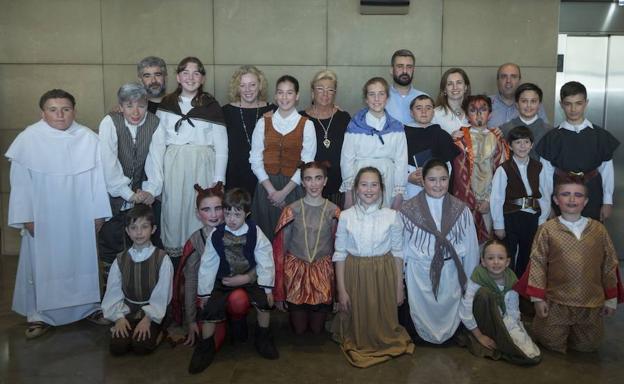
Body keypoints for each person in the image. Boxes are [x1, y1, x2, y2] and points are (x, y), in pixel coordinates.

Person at [6, 89, 111, 339]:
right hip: (43, 217)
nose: (60, 115)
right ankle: (39, 316)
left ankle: (88, 308)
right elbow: (20, 184)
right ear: (43, 112)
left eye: (65, 109)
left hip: (80, 214)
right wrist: (27, 216)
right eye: (53, 110)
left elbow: (99, 180)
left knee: (82, 260)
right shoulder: (28, 139)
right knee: (42, 264)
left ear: (74, 111)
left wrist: (98, 214)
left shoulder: (88, 138)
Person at [518, 177, 619, 353]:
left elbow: (610, 263)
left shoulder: (598, 229)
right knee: (551, 343)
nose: (572, 199)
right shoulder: (547, 230)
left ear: (586, 201)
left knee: (587, 347)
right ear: (556, 200)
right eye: (566, 194)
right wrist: (537, 299)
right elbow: (538, 264)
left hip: (590, 302)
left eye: (578, 195)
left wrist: (611, 299)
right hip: (556, 302)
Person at [146, 57, 227, 264]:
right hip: (174, 167)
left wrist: (219, 181)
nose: (190, 77)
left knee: (201, 214)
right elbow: (156, 146)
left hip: (203, 167)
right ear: (177, 77)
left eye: (196, 73)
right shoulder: (167, 104)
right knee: (175, 214)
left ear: (202, 78)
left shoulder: (211, 106)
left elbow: (221, 147)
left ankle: (203, 267)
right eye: (185, 73)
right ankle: (178, 273)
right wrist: (157, 182)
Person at [332, 167, 414, 368]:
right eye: (364, 184)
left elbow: (397, 253)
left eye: (374, 185)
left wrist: (398, 286)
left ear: (381, 188)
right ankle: (359, 337)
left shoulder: (392, 216)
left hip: (382, 273)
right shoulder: (346, 216)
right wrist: (341, 290)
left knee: (382, 316)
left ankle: (382, 336)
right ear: (356, 189)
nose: (369, 190)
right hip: (355, 272)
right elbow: (340, 254)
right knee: (357, 316)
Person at [190, 188, 277, 373]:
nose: (231, 219)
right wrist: (204, 293)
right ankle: (205, 348)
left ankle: (263, 338)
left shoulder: (255, 231)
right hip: (224, 280)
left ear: (247, 213)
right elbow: (207, 265)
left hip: (249, 278)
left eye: (237, 214)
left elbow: (265, 259)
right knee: (209, 309)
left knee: (264, 303)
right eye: (227, 213)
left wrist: (267, 289)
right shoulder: (217, 234)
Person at [400, 159, 479, 345]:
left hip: (451, 271)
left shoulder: (461, 210)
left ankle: (451, 333)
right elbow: (402, 247)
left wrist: (469, 281)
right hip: (418, 274)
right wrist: (401, 277)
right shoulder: (407, 210)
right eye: (432, 180)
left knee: (449, 306)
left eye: (443, 179)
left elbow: (471, 247)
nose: (438, 185)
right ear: (423, 181)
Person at [98, 82, 163, 288]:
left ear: (147, 105)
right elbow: (108, 162)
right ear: (121, 106)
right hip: (113, 197)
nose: (135, 112)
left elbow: (156, 160)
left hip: (143, 197)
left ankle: (138, 295)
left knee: (141, 241)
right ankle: (112, 298)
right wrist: (127, 193)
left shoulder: (155, 123)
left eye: (141, 106)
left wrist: (150, 190)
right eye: (129, 106)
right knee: (111, 243)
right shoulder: (110, 122)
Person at [535, 81, 619, 221]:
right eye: (568, 104)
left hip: (593, 194)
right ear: (561, 104)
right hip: (561, 196)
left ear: (586, 103)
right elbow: (545, 176)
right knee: (560, 238)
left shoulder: (600, 136)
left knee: (591, 238)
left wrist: (607, 201)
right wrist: (546, 206)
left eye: (578, 103)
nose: (573, 109)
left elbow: (607, 171)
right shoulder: (551, 138)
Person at [273, 161, 340, 335]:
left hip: (322, 273)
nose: (313, 184)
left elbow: (338, 251)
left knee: (317, 331)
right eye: (308, 179)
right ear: (302, 182)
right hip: (296, 273)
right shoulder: (291, 210)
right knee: (300, 331)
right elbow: (280, 251)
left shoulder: (334, 211)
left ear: (325, 181)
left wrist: (337, 292)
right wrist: (279, 292)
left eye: (318, 178)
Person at [249, 75, 316, 241]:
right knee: (264, 239)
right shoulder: (263, 122)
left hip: (294, 188)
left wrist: (284, 193)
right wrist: (272, 191)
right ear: (275, 95)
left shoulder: (307, 124)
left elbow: (306, 163)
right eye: (280, 93)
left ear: (297, 96)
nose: (284, 97)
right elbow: (255, 159)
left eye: (289, 93)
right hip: (266, 188)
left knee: (292, 238)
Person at [101, 204, 173, 356]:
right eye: (133, 228)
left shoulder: (162, 259)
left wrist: (148, 318)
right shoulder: (120, 260)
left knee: (141, 347)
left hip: (154, 312)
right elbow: (113, 292)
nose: (139, 232)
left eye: (144, 227)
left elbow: (162, 295)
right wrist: (119, 318)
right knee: (118, 348)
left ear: (153, 229)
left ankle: (160, 331)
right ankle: (130, 327)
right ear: (127, 231)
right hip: (128, 310)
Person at [458, 239, 541, 365]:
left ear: (507, 262)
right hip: (481, 320)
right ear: (483, 261)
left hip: (502, 318)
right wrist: (479, 336)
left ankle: (504, 337)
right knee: (484, 293)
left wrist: (513, 328)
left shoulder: (511, 279)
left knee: (524, 346)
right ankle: (492, 335)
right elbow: (466, 309)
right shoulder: (477, 277)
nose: (496, 262)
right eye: (490, 258)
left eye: (501, 258)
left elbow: (512, 309)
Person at [340, 77, 407, 209]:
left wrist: (399, 194)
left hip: (388, 180)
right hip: (360, 180)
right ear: (366, 99)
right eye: (372, 94)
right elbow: (346, 160)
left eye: (381, 94)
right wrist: (349, 192)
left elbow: (401, 163)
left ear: (387, 98)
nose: (377, 99)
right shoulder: (354, 126)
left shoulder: (396, 128)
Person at [490, 126, 548, 277]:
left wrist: (542, 220)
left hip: (532, 217)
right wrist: (498, 225)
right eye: (518, 142)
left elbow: (545, 195)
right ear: (510, 145)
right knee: (509, 253)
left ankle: (523, 291)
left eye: (526, 142)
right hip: (511, 216)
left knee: (528, 253)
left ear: (531, 144)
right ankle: (509, 288)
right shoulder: (504, 169)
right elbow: (497, 198)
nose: (522, 146)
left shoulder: (538, 167)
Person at [451, 95, 509, 243]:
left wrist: (489, 200)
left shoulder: (498, 139)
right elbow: (458, 174)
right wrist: (470, 201)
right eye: (473, 110)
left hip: (489, 200)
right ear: (467, 114)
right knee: (465, 243)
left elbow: (501, 173)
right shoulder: (459, 139)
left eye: (483, 110)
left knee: (487, 245)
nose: (478, 114)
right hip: (465, 201)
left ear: (489, 114)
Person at [300, 70, 351, 207]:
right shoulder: (300, 119)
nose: (325, 94)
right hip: (310, 187)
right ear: (312, 92)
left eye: (330, 90)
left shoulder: (344, 118)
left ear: (335, 94)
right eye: (320, 89)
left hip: (338, 185)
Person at [223, 65, 274, 197]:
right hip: (234, 176)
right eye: (242, 85)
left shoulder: (273, 111)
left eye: (252, 85)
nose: (247, 90)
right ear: (237, 88)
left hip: (265, 178)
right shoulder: (225, 112)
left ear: (260, 86)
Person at [404, 94, 460, 199]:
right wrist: (407, 177)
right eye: (419, 108)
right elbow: (396, 163)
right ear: (411, 113)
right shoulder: (402, 135)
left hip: (438, 189)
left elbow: (450, 166)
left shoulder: (442, 135)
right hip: (411, 188)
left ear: (433, 112)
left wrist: (438, 179)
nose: (424, 111)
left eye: (428, 108)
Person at [500, 83, 552, 160]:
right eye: (524, 101)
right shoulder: (504, 129)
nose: (528, 105)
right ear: (517, 104)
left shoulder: (549, 131)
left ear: (539, 105)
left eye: (533, 101)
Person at [488, 63, 548, 128]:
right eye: (504, 76)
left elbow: (546, 133)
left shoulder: (533, 104)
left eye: (513, 76)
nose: (508, 81)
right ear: (498, 81)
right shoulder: (486, 103)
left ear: (519, 80)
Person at [385, 49, 426, 125]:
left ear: (414, 70)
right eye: (400, 66)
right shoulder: (380, 98)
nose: (404, 71)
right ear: (391, 70)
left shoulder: (424, 98)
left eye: (409, 67)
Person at [432, 68, 471, 135]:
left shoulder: (473, 112)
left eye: (459, 82)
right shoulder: (435, 114)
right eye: (450, 84)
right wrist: (450, 139)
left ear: (465, 87)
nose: (455, 87)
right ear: (444, 89)